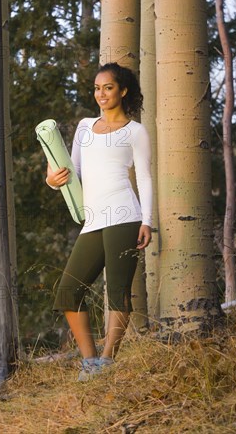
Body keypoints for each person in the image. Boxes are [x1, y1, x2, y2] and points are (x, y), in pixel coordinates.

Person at [46, 62, 152, 381]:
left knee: (118, 291)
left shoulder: (135, 131)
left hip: (125, 215)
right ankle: (89, 361)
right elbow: (71, 171)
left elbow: (144, 178)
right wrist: (52, 179)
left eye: (108, 87)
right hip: (92, 220)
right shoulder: (84, 127)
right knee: (67, 292)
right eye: (96, 88)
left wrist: (147, 220)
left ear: (123, 91)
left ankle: (107, 361)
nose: (101, 94)